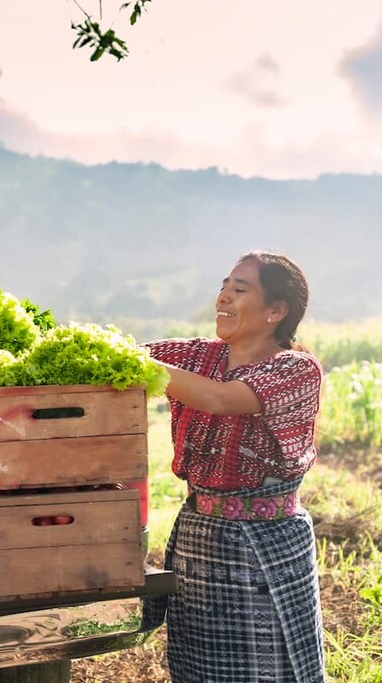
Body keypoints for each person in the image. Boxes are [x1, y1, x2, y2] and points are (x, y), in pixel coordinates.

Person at [142, 250, 325, 683]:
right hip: (200, 540)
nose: (223, 297)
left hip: (265, 547)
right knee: (200, 669)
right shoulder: (199, 357)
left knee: (270, 669)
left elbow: (220, 399)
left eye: (239, 290)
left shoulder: (295, 369)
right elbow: (128, 355)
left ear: (275, 312)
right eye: (223, 286)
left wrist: (139, 365)